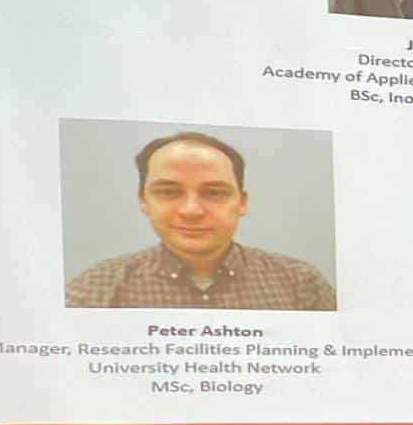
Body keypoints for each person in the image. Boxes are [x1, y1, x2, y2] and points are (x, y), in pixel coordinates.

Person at [67, 132, 337, 310]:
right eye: (168, 192)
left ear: (242, 202)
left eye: (214, 192)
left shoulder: (302, 286)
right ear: (143, 201)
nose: (192, 210)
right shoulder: (94, 291)